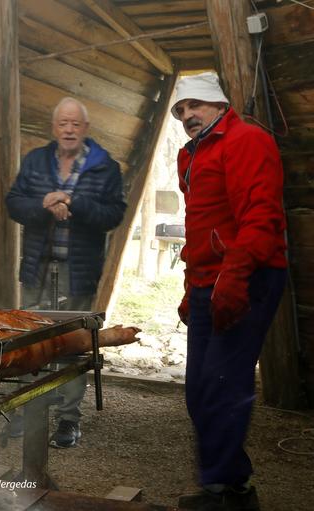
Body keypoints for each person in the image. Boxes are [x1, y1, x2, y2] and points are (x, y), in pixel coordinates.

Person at [171, 72, 288, 511]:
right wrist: (191, 287)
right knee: (200, 389)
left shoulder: (247, 140)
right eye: (181, 111)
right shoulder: (191, 156)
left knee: (224, 384)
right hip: (208, 280)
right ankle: (236, 487)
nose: (187, 115)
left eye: (195, 105)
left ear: (219, 105)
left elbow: (260, 215)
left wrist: (234, 278)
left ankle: (220, 494)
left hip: (249, 274)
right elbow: (200, 229)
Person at [5, 97, 126, 448]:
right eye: (63, 124)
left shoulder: (106, 168)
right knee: (32, 343)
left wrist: (75, 201)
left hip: (78, 271)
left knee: (73, 344)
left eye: (75, 124)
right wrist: (44, 204)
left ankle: (68, 419)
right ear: (54, 128)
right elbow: (15, 203)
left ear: (85, 129)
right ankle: (29, 412)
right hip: (37, 269)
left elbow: (113, 216)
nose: (69, 130)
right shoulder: (35, 160)